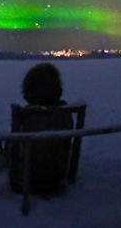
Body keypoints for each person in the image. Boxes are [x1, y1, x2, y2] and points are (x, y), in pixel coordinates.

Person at [9, 63, 73, 194]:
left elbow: (16, 146)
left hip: (28, 177)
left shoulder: (26, 116)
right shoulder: (65, 113)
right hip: (57, 175)